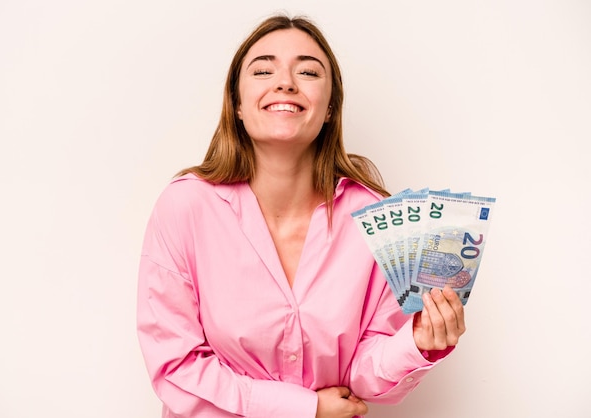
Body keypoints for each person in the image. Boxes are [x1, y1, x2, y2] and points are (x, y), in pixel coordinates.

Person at [137, 13, 466, 418]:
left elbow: (363, 378)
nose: (285, 82)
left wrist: (418, 342)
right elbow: (175, 368)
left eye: (308, 71)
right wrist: (304, 408)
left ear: (329, 108)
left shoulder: (373, 217)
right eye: (263, 69)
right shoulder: (185, 207)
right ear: (237, 104)